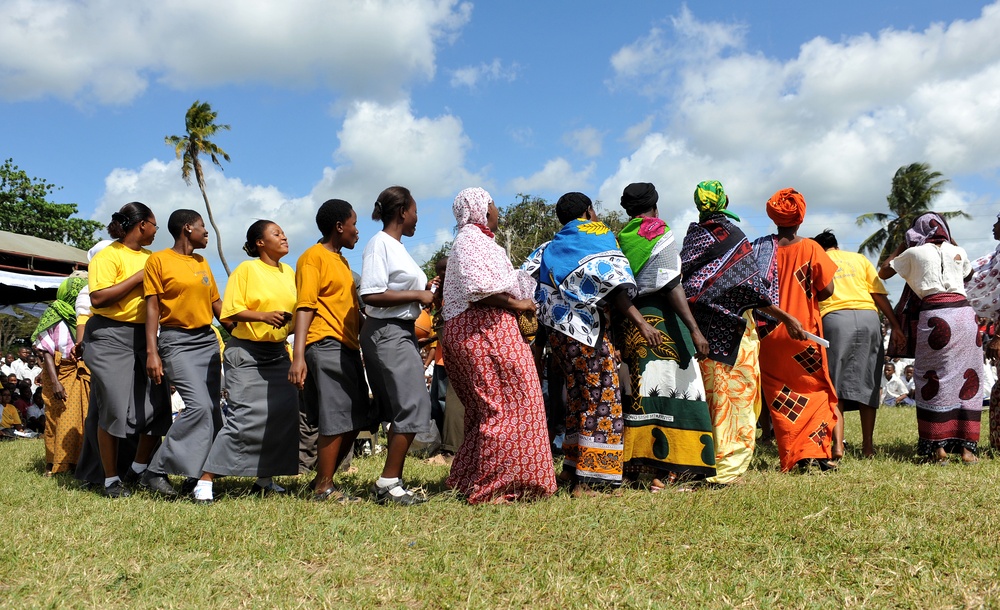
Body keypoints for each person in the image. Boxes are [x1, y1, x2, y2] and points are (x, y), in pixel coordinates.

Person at [523, 192, 660, 496]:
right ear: (589, 211)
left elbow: (531, 281)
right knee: (602, 399)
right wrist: (641, 322)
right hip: (589, 333)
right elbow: (613, 286)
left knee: (578, 397)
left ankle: (572, 468)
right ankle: (591, 481)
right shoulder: (595, 234)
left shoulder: (552, 246)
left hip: (560, 337)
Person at [680, 180, 805, 484]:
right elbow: (752, 289)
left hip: (700, 332)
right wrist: (786, 316)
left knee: (708, 396)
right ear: (725, 200)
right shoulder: (735, 237)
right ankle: (727, 467)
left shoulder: (692, 237)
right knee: (735, 400)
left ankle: (702, 459)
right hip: (734, 333)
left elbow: (688, 285)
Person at [441, 187, 556, 504]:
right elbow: (479, 288)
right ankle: (498, 486)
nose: (496, 209)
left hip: (476, 329)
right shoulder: (471, 241)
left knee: (487, 410)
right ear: (479, 207)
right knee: (508, 406)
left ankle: (470, 478)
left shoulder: (476, 241)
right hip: (483, 329)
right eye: (492, 203)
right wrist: (517, 305)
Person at [615, 182, 715, 488]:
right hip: (663, 320)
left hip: (632, 322)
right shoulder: (661, 232)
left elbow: (618, 289)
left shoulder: (621, 238)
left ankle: (638, 468)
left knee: (642, 393)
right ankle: (671, 471)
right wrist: (695, 329)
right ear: (654, 206)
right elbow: (671, 284)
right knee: (680, 387)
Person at [194, 220, 299, 502]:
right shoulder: (247, 269)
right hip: (246, 352)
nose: (284, 236)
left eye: (283, 231)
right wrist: (263, 316)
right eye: (276, 233)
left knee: (281, 415)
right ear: (260, 243)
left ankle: (265, 478)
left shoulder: (289, 272)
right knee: (243, 418)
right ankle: (206, 480)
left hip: (278, 353)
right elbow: (229, 311)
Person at [289, 199, 376, 502]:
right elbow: (305, 306)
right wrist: (298, 356)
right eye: (354, 224)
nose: (357, 231)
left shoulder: (341, 260)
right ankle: (323, 487)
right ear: (339, 227)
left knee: (357, 416)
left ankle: (324, 480)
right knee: (336, 415)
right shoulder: (312, 258)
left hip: (347, 345)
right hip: (324, 343)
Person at [879, 212, 981, 464]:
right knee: (968, 377)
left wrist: (904, 243)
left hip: (937, 315)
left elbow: (883, 272)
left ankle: (938, 449)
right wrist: (949, 238)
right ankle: (967, 450)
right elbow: (967, 275)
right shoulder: (959, 251)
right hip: (966, 317)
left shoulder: (914, 253)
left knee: (933, 377)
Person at [84, 202, 170, 497]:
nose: (157, 231)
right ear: (141, 225)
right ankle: (110, 480)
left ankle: (137, 469)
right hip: (109, 336)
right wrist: (138, 277)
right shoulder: (109, 255)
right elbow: (98, 298)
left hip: (145, 337)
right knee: (114, 408)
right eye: (155, 225)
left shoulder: (154, 258)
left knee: (157, 406)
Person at [142, 209, 229, 499]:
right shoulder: (159, 260)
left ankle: (195, 477)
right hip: (176, 340)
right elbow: (152, 307)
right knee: (199, 407)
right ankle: (154, 470)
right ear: (187, 228)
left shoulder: (203, 262)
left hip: (206, 341)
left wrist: (247, 323)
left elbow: (218, 305)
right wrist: (152, 351)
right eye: (203, 227)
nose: (207, 232)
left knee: (213, 411)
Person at [358, 186, 435, 505]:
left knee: (409, 404)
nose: (418, 218)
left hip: (399, 330)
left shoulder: (397, 247)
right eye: (415, 211)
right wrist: (418, 295)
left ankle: (392, 480)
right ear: (402, 211)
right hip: (387, 330)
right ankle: (388, 482)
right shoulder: (380, 244)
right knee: (414, 404)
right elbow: (370, 294)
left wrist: (425, 287)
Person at [756, 188, 839, 472]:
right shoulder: (812, 248)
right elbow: (827, 289)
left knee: (781, 397)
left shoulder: (760, 250)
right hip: (804, 335)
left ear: (774, 217)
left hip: (769, 337)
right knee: (815, 390)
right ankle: (814, 452)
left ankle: (793, 455)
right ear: (800, 218)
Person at [813, 229, 903, 459]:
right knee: (869, 384)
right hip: (868, 318)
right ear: (837, 246)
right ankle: (868, 448)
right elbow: (878, 294)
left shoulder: (816, 259)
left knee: (834, 385)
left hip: (835, 320)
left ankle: (837, 447)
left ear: (818, 248)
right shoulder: (859, 259)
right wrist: (895, 326)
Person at [31, 274, 89, 474]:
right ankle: (56, 464)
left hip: (79, 371)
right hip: (59, 372)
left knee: (80, 418)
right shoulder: (54, 313)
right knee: (58, 418)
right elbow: (44, 349)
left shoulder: (82, 317)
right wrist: (55, 382)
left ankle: (75, 463)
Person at [966, 212, 1000, 450]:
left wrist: (997, 337)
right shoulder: (996, 256)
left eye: (998, 221)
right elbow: (971, 272)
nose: (994, 225)